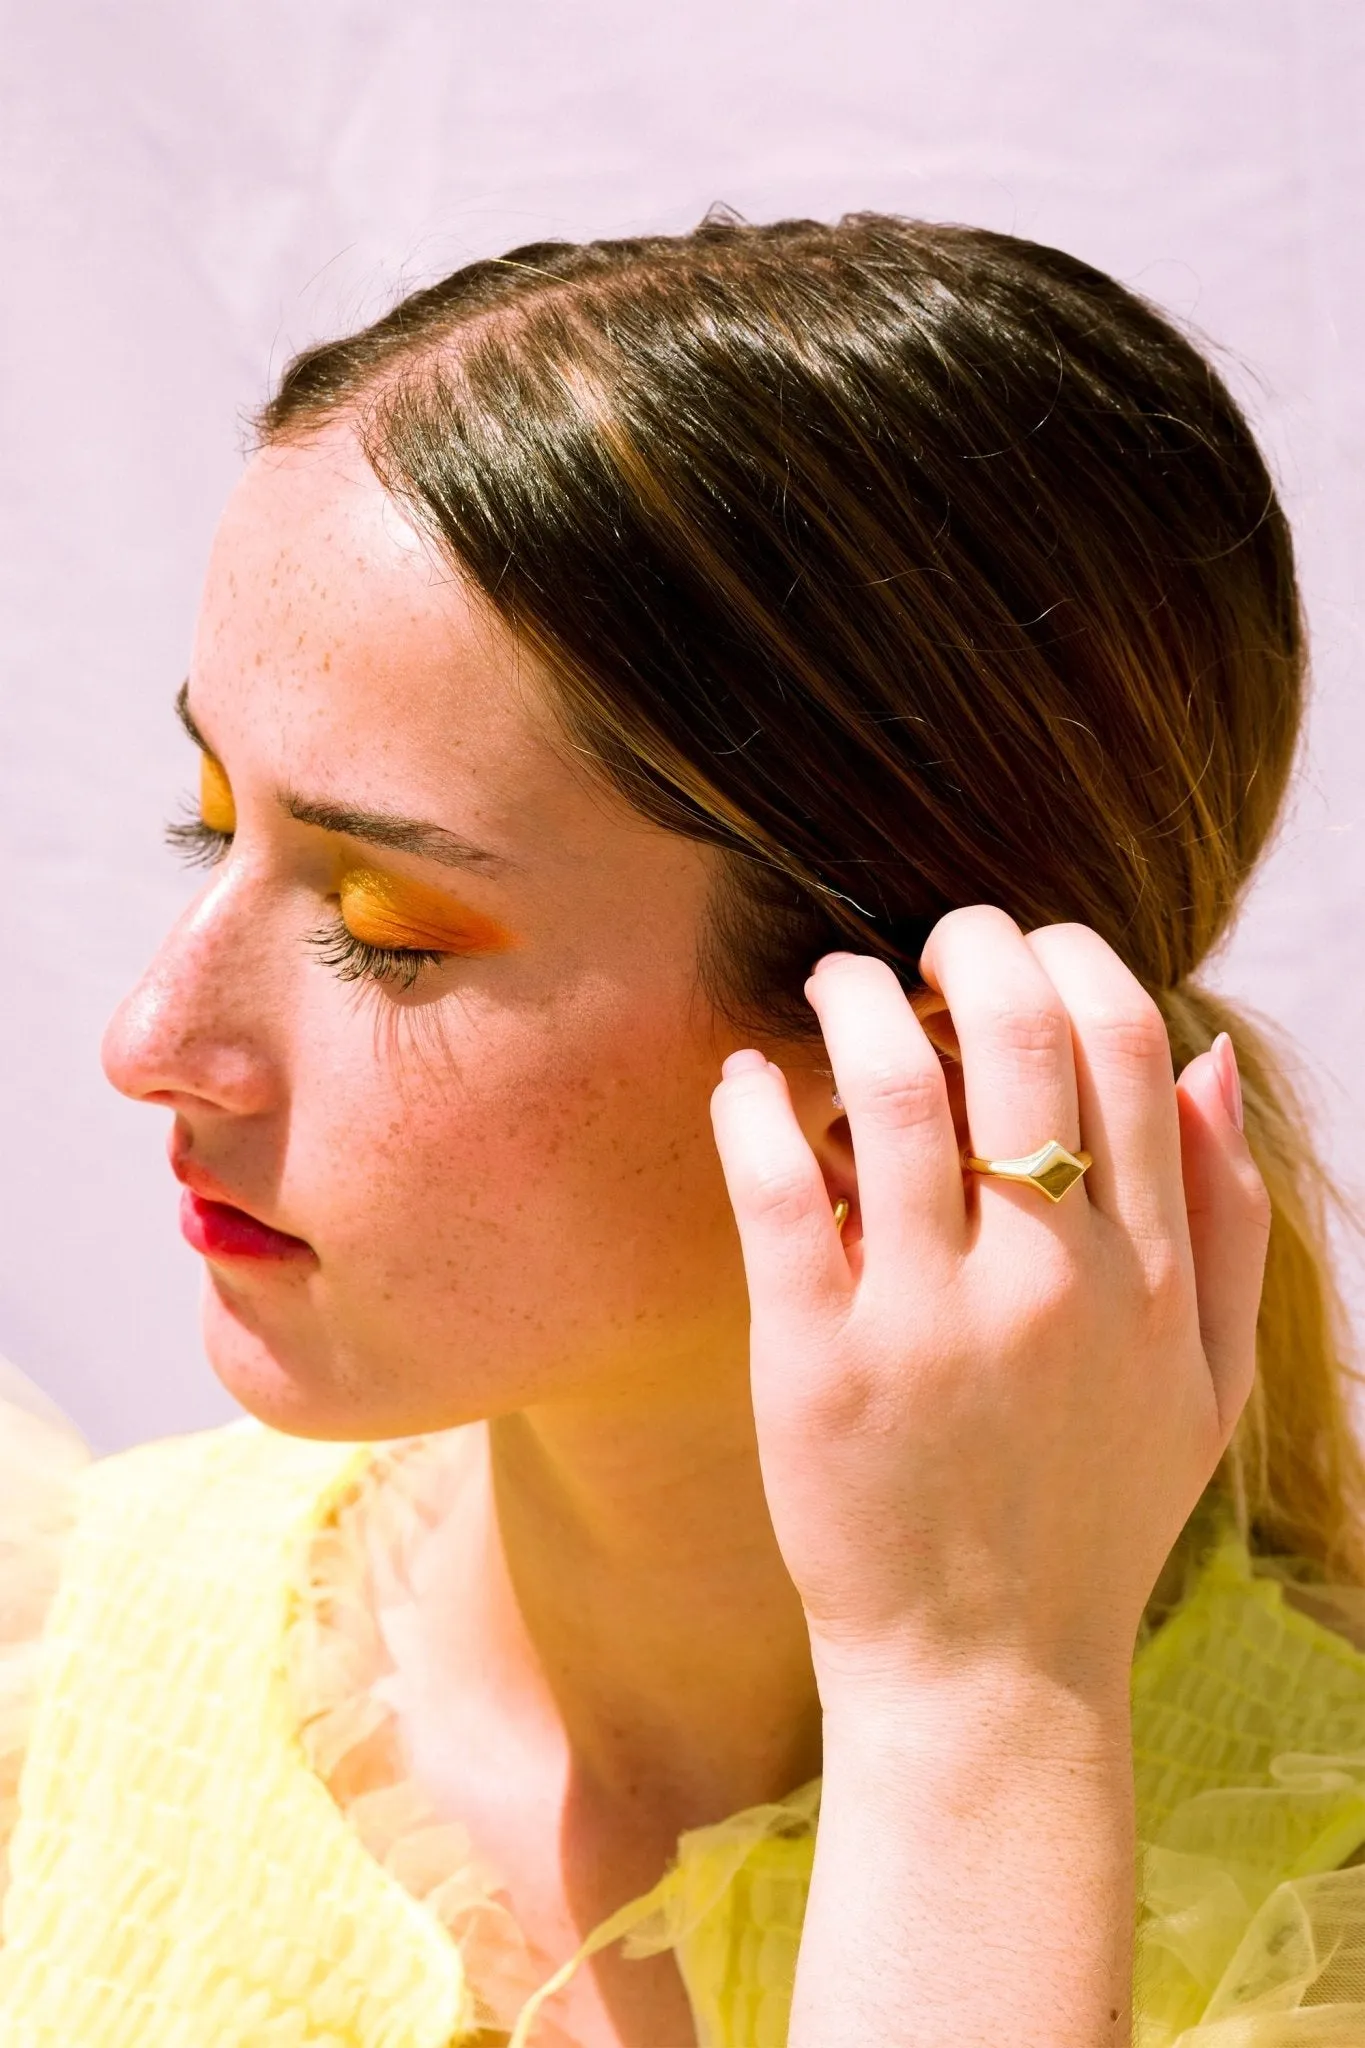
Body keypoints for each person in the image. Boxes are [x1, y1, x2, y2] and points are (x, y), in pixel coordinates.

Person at [2, 210, 1365, 2048]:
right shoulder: (54, 1677)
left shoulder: (1313, 1895)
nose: (153, 1042)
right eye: (209, 828)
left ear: (919, 1063)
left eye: (383, 926)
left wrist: (978, 1725)